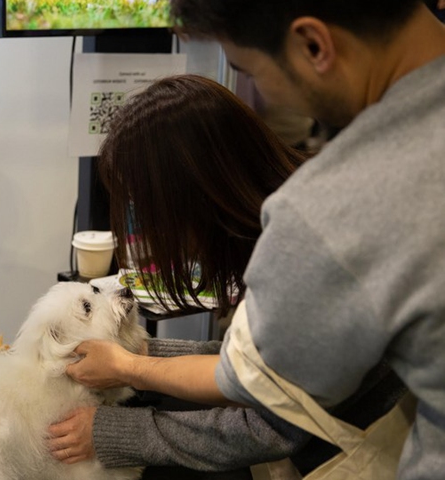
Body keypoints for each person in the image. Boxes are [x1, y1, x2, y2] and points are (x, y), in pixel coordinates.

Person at [59, 2, 445, 479]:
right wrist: (140, 355)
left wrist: (121, 406)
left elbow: (265, 412)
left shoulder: (329, 214)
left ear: (313, 45)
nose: (262, 92)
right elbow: (261, 361)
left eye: (249, 70)